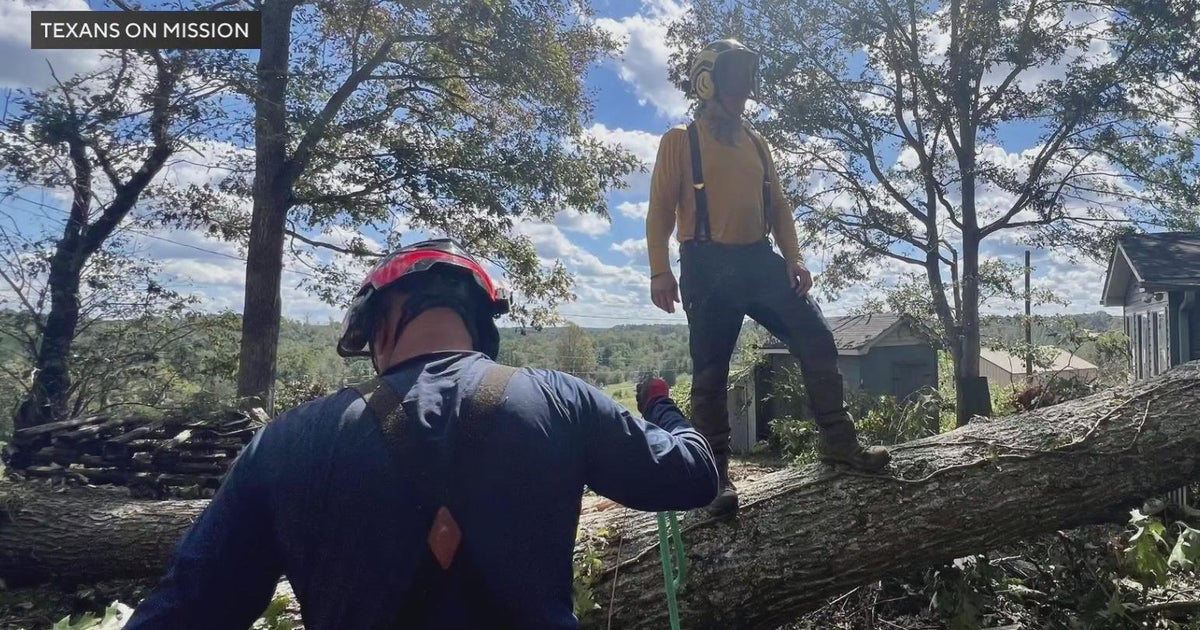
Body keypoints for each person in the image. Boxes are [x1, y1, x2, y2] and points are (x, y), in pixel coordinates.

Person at [124, 238, 719, 630]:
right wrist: (664, 409)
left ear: (378, 325)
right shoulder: (558, 398)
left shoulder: (287, 441)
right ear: (483, 325)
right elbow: (693, 477)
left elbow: (188, 610)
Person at [646, 38, 891, 518]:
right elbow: (659, 211)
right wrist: (659, 270)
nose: (742, 97)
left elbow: (778, 204)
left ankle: (838, 443)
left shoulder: (756, 141)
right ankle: (713, 477)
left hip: (760, 260)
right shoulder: (682, 139)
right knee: (711, 372)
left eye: (745, 87)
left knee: (817, 338)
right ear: (707, 84)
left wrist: (794, 258)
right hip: (705, 264)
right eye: (733, 86)